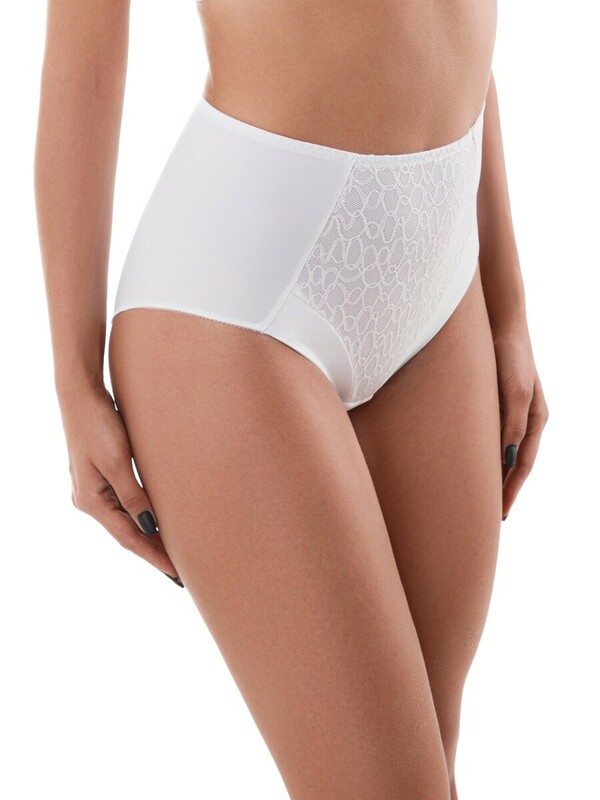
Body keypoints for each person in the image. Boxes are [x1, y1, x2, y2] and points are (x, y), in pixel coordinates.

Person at [34, 1, 549, 798]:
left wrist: (509, 308)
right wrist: (74, 381)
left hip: (443, 275)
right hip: (243, 290)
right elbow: (86, 63)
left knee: (430, 766)